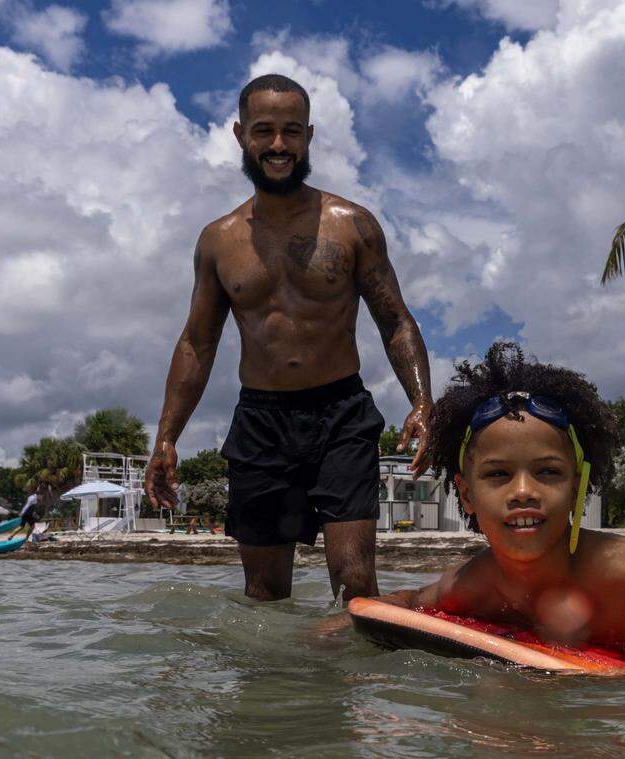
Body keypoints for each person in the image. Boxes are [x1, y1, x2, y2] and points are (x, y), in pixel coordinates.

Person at [145, 74, 433, 604]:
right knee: (264, 592)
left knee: (355, 583)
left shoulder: (353, 225)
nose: (278, 145)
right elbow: (197, 344)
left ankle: (347, 685)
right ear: (240, 135)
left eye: (291, 132)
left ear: (309, 136)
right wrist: (167, 437)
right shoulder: (218, 241)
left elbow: (395, 321)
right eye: (265, 131)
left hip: (340, 413)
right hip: (260, 422)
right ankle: (276, 690)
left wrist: (421, 401)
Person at [361, 343, 625, 650]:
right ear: (466, 494)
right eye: (498, 474)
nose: (524, 491)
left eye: (548, 472)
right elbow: (404, 603)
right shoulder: (472, 585)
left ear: (579, 485)